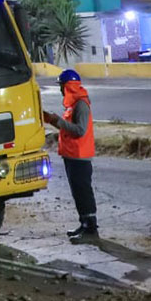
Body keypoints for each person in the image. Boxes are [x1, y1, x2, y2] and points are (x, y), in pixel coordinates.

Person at [43, 68, 98, 242]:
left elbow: (80, 130)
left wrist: (56, 121)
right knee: (78, 192)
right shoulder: (73, 104)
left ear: (68, 86)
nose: (60, 89)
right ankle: (84, 224)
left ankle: (90, 228)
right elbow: (68, 130)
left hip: (80, 156)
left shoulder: (81, 105)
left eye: (61, 86)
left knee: (83, 192)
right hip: (72, 155)